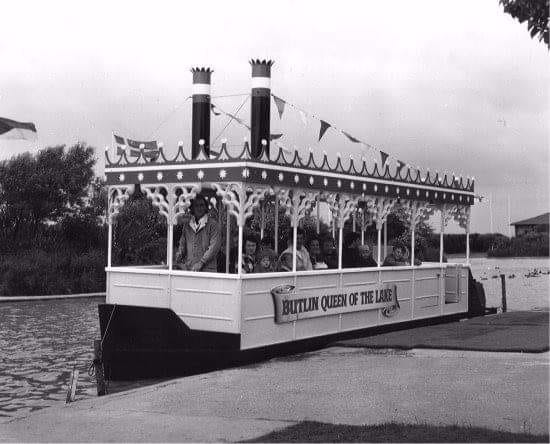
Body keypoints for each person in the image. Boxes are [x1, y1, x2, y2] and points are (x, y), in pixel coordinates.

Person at [175, 194, 221, 272]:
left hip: (208, 271)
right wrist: (179, 254)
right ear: (192, 208)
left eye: (202, 205)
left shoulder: (213, 225)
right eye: (196, 205)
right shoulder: (187, 225)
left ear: (206, 207)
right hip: (190, 269)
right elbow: (183, 243)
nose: (199, 208)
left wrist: (201, 262)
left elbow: (214, 247)